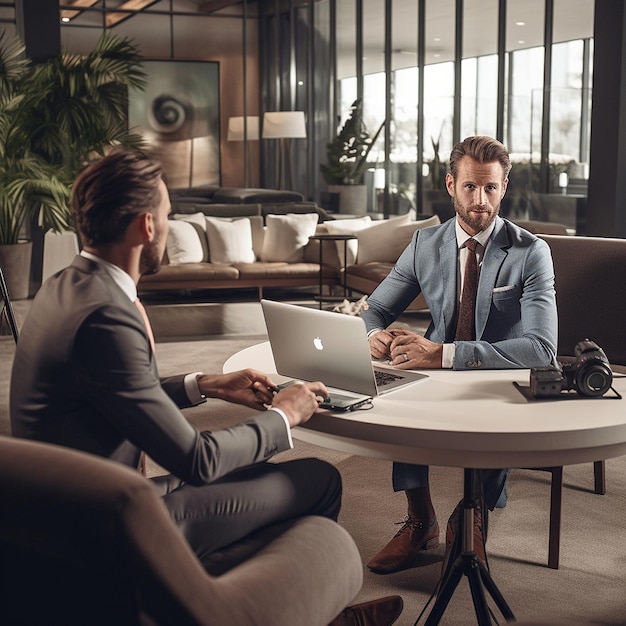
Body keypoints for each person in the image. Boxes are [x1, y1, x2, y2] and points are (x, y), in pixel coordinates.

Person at [9, 149, 403, 626]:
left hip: (78, 507)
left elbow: (118, 391)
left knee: (282, 490)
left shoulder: (65, 286)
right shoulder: (108, 316)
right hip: (114, 527)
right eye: (167, 215)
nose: (168, 222)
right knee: (318, 481)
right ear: (147, 227)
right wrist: (284, 414)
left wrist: (205, 384)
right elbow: (198, 460)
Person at [363, 136, 558, 575]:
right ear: (451, 184)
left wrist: (445, 354)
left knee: (503, 417)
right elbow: (374, 309)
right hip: (433, 369)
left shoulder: (531, 253)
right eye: (470, 187)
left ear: (504, 186)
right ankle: (421, 520)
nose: (480, 200)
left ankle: (471, 520)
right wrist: (372, 334)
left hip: (501, 372)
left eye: (491, 188)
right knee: (399, 406)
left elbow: (542, 350)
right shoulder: (424, 245)